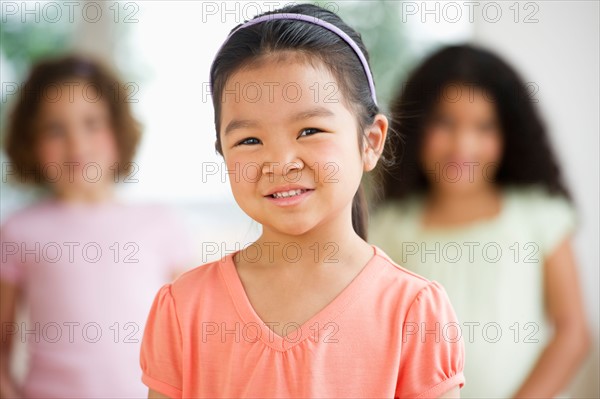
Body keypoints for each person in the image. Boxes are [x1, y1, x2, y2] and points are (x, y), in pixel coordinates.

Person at [139, 4, 465, 399]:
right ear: (223, 153)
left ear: (371, 141)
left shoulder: (414, 311)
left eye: (309, 130)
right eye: (249, 140)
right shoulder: (184, 308)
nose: (280, 163)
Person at [369, 45, 591, 398]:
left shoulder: (538, 215)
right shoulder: (391, 227)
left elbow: (573, 332)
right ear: (417, 125)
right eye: (444, 122)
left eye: (484, 127)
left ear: (509, 135)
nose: (463, 145)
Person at [0, 55, 195, 398]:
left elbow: (192, 339)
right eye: (55, 129)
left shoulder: (160, 223)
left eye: (92, 123)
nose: (76, 144)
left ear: (118, 131)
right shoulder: (19, 231)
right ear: (30, 141)